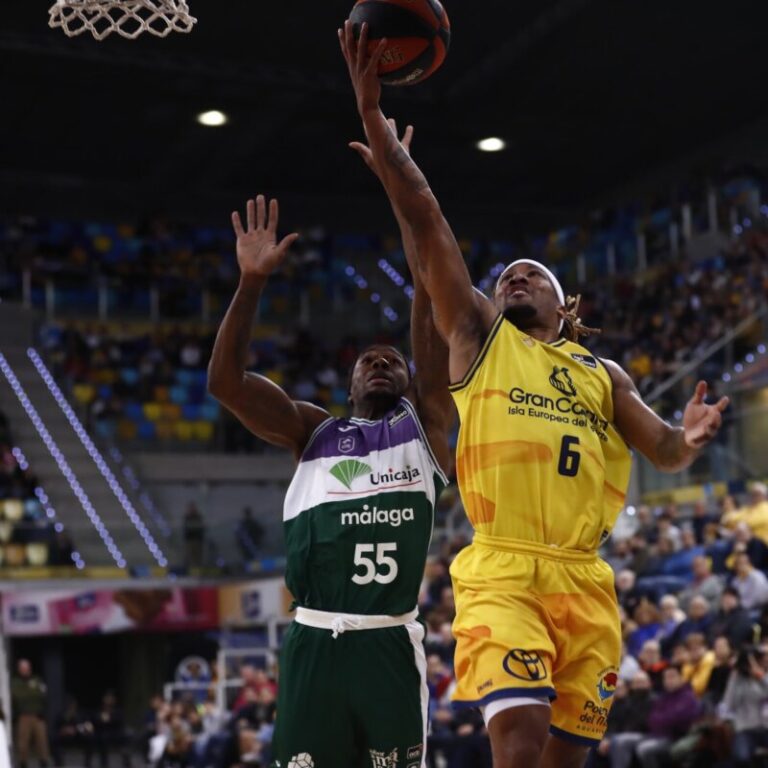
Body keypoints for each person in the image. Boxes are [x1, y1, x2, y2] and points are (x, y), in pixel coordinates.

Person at [339, 20, 729, 768]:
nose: (514, 278)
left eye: (533, 275)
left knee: (564, 758)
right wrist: (376, 128)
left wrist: (693, 435)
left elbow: (669, 454)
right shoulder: (483, 339)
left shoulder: (603, 375)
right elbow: (428, 221)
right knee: (515, 744)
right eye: (505, 275)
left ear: (564, 306)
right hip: (504, 568)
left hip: (585, 575)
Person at [207, 190, 453, 767]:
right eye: (367, 359)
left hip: (388, 642)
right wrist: (250, 283)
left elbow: (427, 300)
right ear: (348, 388)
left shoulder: (426, 430)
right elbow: (225, 383)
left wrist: (401, 189)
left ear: (412, 382)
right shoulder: (313, 431)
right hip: (314, 641)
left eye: (393, 359)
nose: (381, 362)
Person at [10, 659, 51, 768]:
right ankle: (23, 764)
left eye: (27, 668)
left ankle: (44, 763)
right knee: (23, 744)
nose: (25, 670)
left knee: (42, 742)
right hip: (23, 716)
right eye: (22, 668)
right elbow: (18, 696)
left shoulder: (37, 680)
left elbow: (42, 694)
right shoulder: (15, 682)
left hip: (38, 716)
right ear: (19, 670)